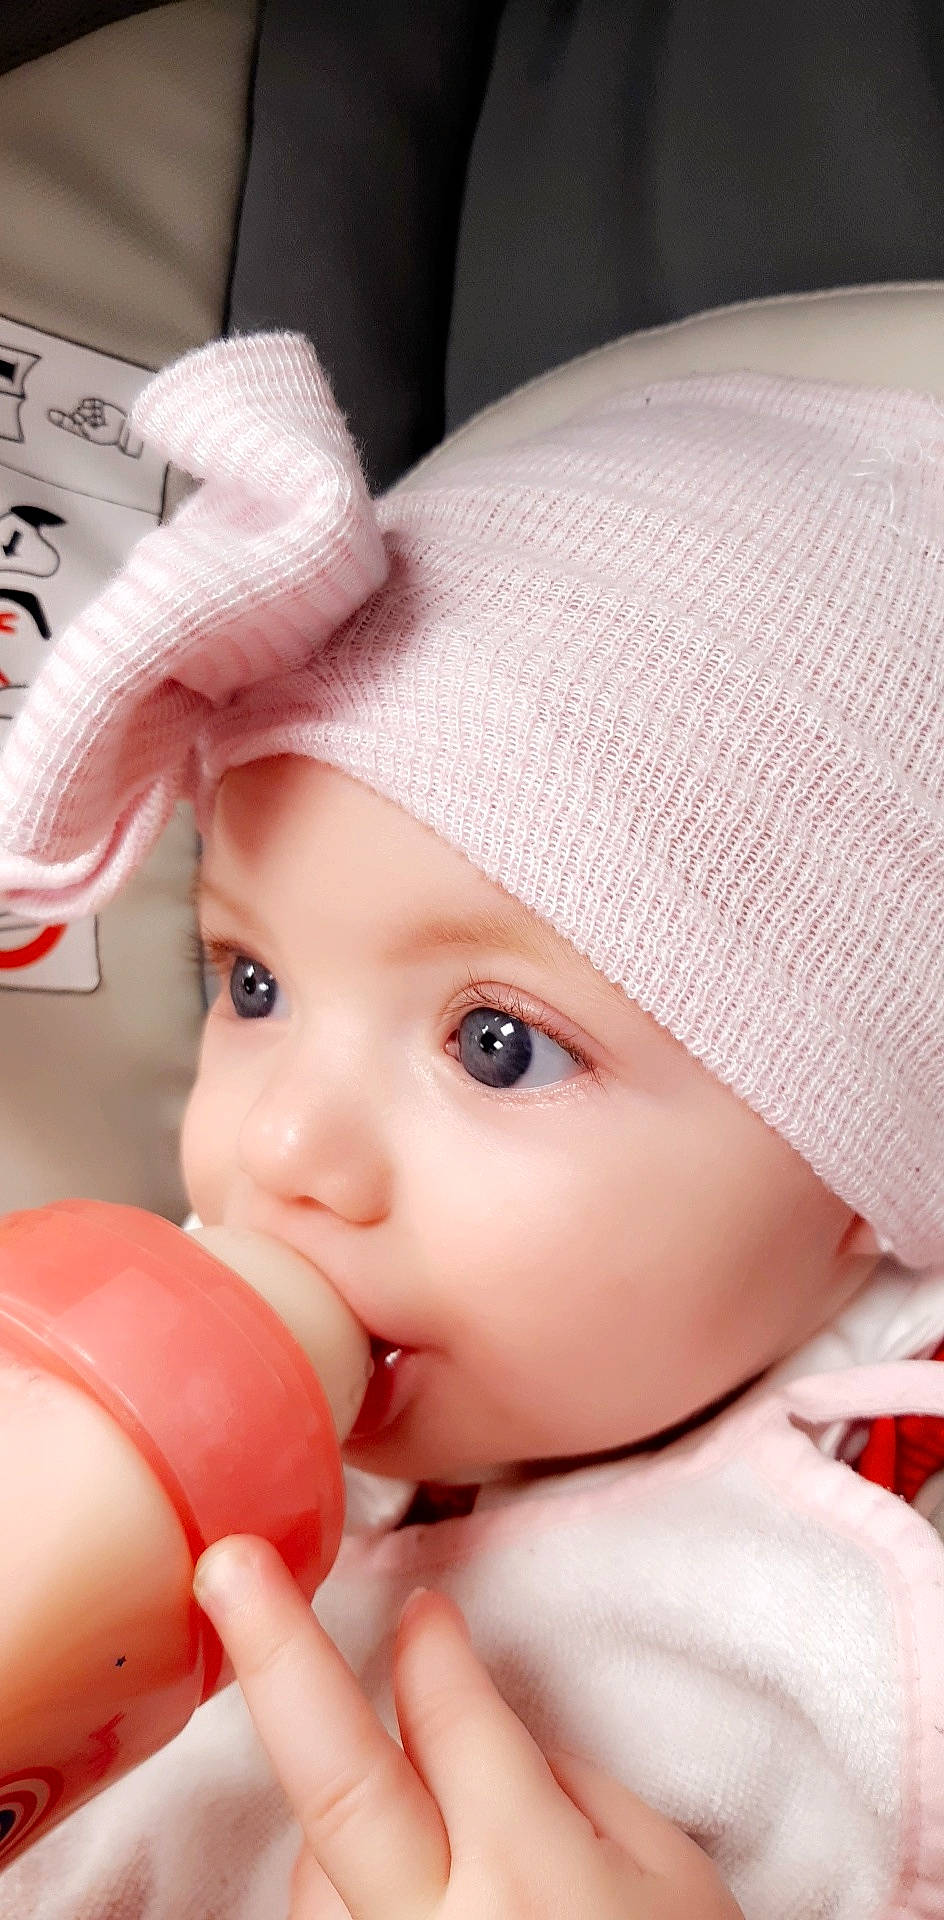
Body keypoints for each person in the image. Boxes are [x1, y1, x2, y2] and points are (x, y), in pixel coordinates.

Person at [0, 330, 942, 1920]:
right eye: (249, 980)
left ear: (867, 1171)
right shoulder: (105, 1441)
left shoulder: (866, 1583)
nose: (283, 1153)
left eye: (498, 1047)